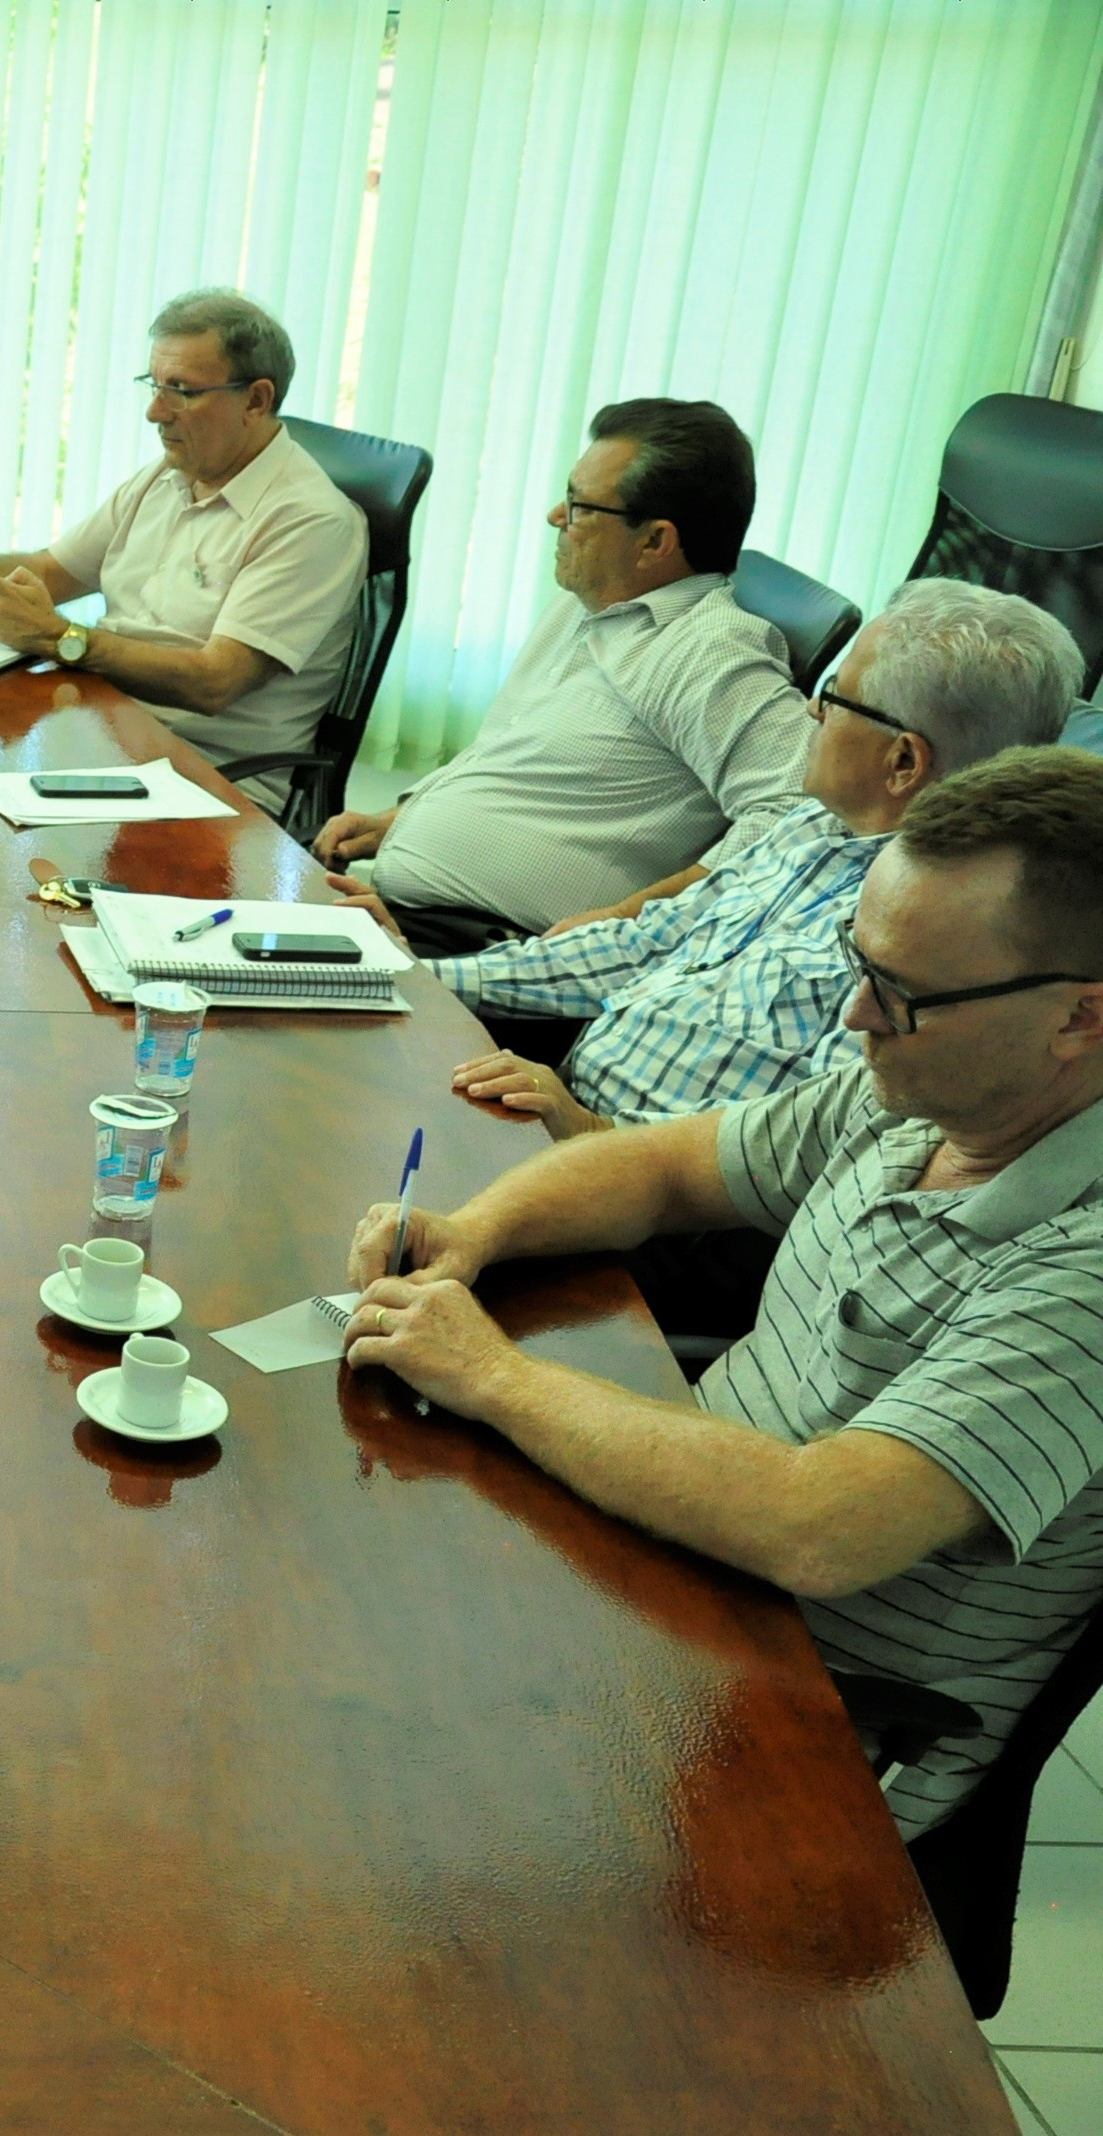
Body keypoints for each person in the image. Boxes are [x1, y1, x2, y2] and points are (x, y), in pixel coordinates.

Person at [334, 746, 1103, 1839]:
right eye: (860, 963)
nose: (854, 1017)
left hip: (799, 1733)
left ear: (1080, 1017)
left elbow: (818, 1526)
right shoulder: (929, 1093)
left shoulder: (1083, 1270)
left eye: (904, 995)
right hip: (679, 1578)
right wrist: (475, 1233)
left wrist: (494, 1375)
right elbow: (662, 1166)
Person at [422, 580, 1079, 1140]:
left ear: (902, 761)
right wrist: (419, 976)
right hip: (556, 1105)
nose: (810, 709)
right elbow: (645, 944)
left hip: (636, 1200)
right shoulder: (811, 826)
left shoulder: (922, 934)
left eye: (834, 694)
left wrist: (589, 1133)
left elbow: (799, 1147)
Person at [311, 399, 813, 949]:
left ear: (654, 541)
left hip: (490, 951)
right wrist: (396, 821)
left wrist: (630, 918)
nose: (556, 516)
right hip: (397, 912)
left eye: (579, 506)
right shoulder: (583, 607)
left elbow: (799, 811)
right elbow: (515, 760)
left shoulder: (709, 650)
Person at [0, 288, 366, 804]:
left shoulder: (311, 522)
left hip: (204, 778)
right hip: (99, 731)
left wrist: (60, 639)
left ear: (256, 399)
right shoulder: (170, 474)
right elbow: (50, 570)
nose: (156, 412)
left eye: (182, 390)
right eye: (155, 386)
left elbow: (214, 683)